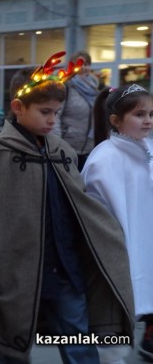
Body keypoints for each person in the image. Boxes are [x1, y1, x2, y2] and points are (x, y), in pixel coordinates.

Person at [0, 53, 134, 364]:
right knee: (11, 345)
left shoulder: (62, 150)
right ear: (18, 108)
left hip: (64, 268)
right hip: (16, 273)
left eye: (57, 112)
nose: (52, 119)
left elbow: (81, 205)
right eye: (45, 112)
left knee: (77, 341)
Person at [82, 84, 153, 362]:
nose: (148, 120)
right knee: (113, 334)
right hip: (118, 260)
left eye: (151, 114)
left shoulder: (148, 151)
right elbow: (101, 220)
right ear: (115, 120)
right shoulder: (105, 159)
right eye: (139, 114)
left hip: (145, 251)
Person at [53, 50, 99, 170]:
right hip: (67, 148)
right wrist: (57, 144)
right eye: (80, 64)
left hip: (88, 148)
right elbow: (55, 116)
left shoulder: (94, 87)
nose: (84, 67)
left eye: (87, 64)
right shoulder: (65, 86)